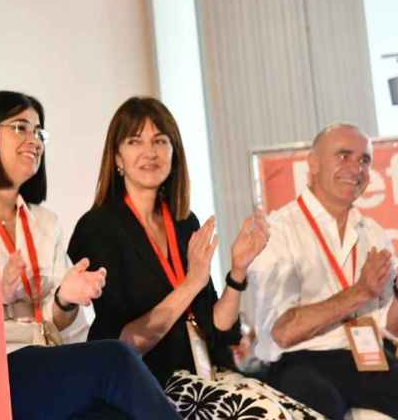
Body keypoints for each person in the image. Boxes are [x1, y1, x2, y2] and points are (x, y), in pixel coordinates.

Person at [69, 97, 320, 419]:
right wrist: (191, 283)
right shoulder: (98, 228)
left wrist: (238, 270)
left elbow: (217, 325)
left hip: (206, 373)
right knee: (268, 414)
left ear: (174, 152)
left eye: (160, 141)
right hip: (148, 384)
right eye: (135, 142)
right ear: (117, 156)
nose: (150, 152)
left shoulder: (184, 221)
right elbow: (126, 345)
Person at [0, 91, 179, 419]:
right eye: (20, 128)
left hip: (49, 363)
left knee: (110, 414)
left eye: (39, 132)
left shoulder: (45, 222)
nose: (34, 141)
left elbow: (56, 322)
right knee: (115, 358)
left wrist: (65, 300)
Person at [248, 123, 398, 419]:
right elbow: (282, 331)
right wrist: (360, 292)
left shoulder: (374, 233)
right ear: (313, 163)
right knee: (316, 404)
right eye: (343, 156)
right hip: (302, 362)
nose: (355, 168)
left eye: (364, 160)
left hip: (369, 359)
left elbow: (394, 329)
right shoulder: (278, 231)